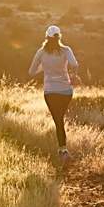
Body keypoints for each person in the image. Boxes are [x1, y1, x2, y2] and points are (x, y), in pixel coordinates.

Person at [28, 25, 79, 162]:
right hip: (66, 91)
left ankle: (63, 150)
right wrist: (73, 75)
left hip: (50, 91)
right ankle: (63, 150)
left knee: (58, 120)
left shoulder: (41, 52)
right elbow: (75, 64)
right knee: (59, 118)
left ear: (46, 37)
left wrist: (43, 67)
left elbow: (31, 72)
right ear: (59, 37)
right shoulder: (66, 50)